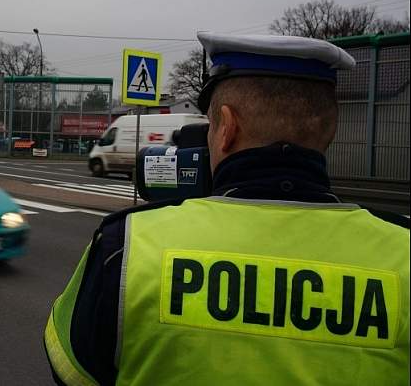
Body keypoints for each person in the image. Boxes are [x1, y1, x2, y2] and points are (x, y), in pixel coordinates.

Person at [44, 32, 410, 385]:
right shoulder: (402, 252)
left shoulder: (126, 246)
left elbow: (72, 371)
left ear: (227, 128)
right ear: (329, 131)